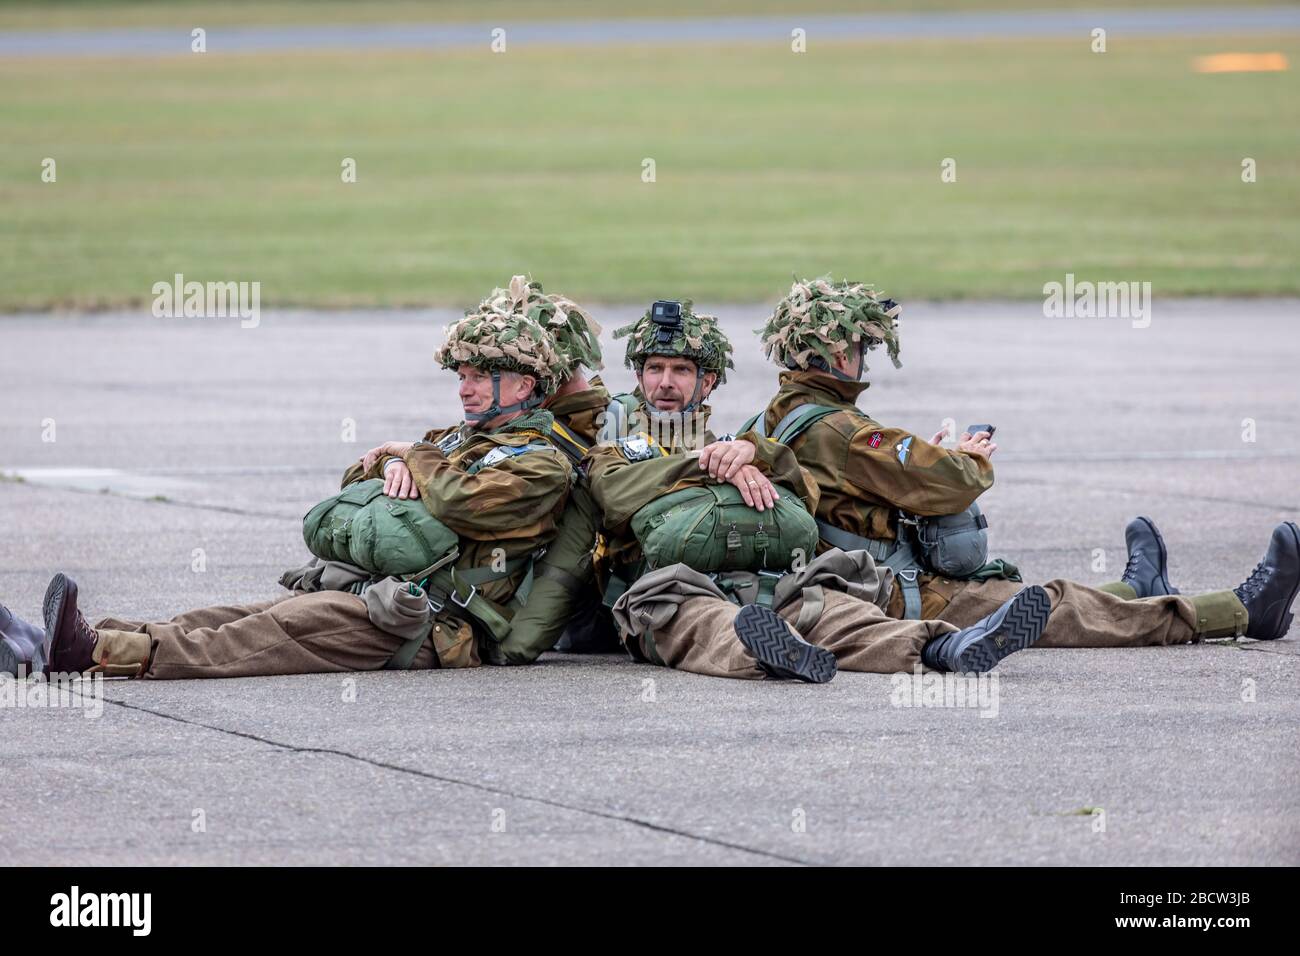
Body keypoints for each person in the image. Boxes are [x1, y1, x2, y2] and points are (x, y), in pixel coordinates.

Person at [5, 306, 575, 679]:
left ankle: (96, 655)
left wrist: (409, 457)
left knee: (270, 633)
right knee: (232, 612)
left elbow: (458, 501)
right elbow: (358, 482)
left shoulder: (541, 464)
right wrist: (389, 463)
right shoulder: (454, 440)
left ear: (523, 384)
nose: (465, 388)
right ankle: (55, 641)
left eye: (479, 376)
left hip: (432, 623)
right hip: (375, 590)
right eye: (461, 375)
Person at [744, 276, 1300, 647]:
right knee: (1059, 609)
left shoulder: (765, 423)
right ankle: (1240, 611)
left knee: (1050, 599)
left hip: (850, 585)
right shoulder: (840, 430)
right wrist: (968, 457)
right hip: (904, 593)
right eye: (861, 347)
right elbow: (949, 483)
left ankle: (1136, 585)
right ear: (841, 353)